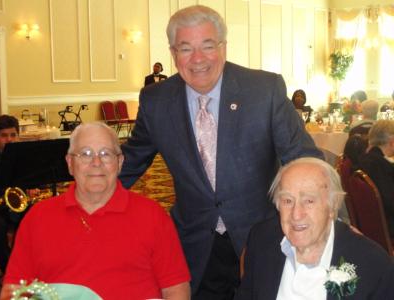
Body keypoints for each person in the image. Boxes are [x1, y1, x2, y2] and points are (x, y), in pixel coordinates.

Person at [119, 5, 322, 299]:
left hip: (263, 237)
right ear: (173, 53)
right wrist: (84, 195)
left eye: (208, 46)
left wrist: (330, 221)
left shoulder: (263, 89)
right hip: (196, 242)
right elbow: (132, 159)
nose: (198, 59)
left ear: (223, 47)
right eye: (186, 48)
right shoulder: (156, 100)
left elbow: (304, 159)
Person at [0, 122, 191, 300]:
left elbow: (176, 289)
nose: (96, 162)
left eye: (106, 153)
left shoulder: (152, 215)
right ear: (69, 163)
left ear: (120, 162)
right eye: (85, 153)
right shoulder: (38, 218)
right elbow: (13, 290)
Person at [235, 157, 394, 300]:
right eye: (287, 201)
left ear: (333, 206)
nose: (296, 215)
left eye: (309, 201)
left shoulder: (372, 263)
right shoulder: (262, 240)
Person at [359, 120, 394, 238]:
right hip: (386, 226)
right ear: (392, 142)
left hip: (370, 224)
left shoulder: (366, 160)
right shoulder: (379, 166)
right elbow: (389, 202)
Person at [0, 115, 20, 277]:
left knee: (39, 218)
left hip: (20, 204)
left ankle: (26, 264)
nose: (9, 140)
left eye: (13, 135)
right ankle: (8, 268)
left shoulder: (26, 158)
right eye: (4, 136)